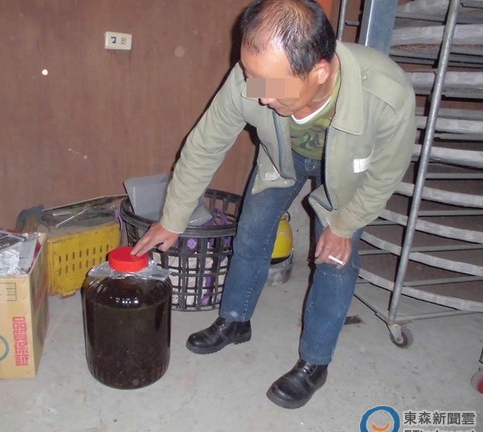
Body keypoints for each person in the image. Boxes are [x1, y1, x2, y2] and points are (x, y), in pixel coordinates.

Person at [131, 0, 415, 409]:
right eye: (250, 77)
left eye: (270, 85)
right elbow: (206, 145)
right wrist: (173, 218)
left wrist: (345, 224)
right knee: (250, 233)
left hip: (348, 174)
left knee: (335, 260)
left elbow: (387, 172)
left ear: (320, 72)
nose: (259, 94)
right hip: (282, 158)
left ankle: (315, 362)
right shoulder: (257, 81)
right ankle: (235, 320)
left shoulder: (384, 95)